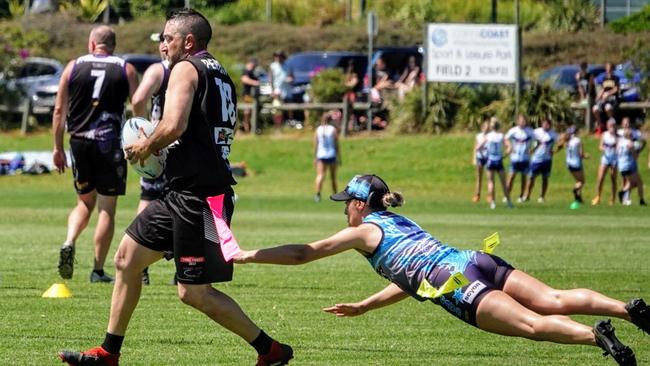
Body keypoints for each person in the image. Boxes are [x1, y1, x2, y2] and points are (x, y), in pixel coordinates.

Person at [58, 9, 293, 366]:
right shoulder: (222, 74)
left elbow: (174, 124)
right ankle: (109, 352)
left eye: (167, 38)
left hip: (198, 197)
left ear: (188, 42)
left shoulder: (185, 67)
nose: (162, 45)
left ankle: (270, 350)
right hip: (182, 192)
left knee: (193, 293)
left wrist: (145, 147)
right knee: (126, 260)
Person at [235, 174, 649, 366]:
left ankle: (596, 336)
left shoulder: (363, 233)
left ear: (360, 204)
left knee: (532, 325)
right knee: (554, 299)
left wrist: (248, 255)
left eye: (347, 201)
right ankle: (628, 309)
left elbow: (305, 253)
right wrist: (365, 306)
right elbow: (409, 281)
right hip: (474, 260)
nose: (344, 208)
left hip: (454, 283)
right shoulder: (401, 221)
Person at [52, 25, 139, 283]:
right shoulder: (126, 68)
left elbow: (59, 111)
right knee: (106, 209)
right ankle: (97, 270)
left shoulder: (73, 66)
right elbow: (139, 107)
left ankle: (69, 240)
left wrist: (57, 148)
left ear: (92, 44)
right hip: (109, 144)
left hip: (79, 143)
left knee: (84, 202)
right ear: (112, 46)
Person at [131, 31, 171, 285]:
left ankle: (139, 261)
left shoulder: (160, 70)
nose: (161, 46)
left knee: (148, 200)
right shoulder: (196, 69)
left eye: (164, 40)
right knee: (185, 203)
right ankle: (184, 266)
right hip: (184, 148)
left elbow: (138, 99)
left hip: (158, 146)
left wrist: (143, 133)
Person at [523, 118, 557, 203]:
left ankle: (542, 197)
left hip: (547, 160)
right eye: (544, 124)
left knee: (545, 178)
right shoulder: (536, 132)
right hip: (536, 159)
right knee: (531, 177)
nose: (545, 126)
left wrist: (554, 151)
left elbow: (560, 143)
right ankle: (527, 196)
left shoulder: (553, 134)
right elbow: (530, 139)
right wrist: (531, 149)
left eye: (547, 124)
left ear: (550, 125)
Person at [482, 117, 513, 209]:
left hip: (490, 160)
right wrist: (505, 155)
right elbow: (509, 147)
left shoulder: (488, 136)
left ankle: (493, 203)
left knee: (491, 182)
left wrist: (484, 153)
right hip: (499, 160)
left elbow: (479, 146)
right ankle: (509, 203)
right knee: (504, 183)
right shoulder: (501, 136)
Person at [617, 117, 646, 206]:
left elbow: (617, 151)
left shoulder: (620, 142)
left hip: (621, 165)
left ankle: (624, 194)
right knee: (639, 182)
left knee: (631, 183)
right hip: (629, 164)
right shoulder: (630, 143)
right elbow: (635, 157)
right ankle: (641, 200)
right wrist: (637, 151)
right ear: (629, 135)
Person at [504, 114, 534, 203]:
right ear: (517, 121)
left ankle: (521, 196)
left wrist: (532, 149)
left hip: (525, 158)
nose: (522, 122)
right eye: (520, 121)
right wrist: (509, 147)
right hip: (515, 158)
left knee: (524, 178)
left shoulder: (530, 131)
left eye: (524, 121)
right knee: (511, 177)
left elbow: (538, 141)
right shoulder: (513, 131)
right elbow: (505, 139)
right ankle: (507, 196)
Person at [313, 110, 340, 203]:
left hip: (321, 155)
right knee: (333, 177)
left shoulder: (318, 130)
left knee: (320, 175)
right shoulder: (333, 129)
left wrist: (315, 157)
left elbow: (316, 145)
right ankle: (335, 194)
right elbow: (336, 144)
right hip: (331, 154)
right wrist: (339, 156)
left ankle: (317, 194)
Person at [592, 118, 619, 206]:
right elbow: (600, 146)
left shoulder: (618, 136)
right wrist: (604, 148)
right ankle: (597, 197)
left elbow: (619, 148)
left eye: (613, 125)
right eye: (610, 125)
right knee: (600, 178)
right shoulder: (604, 135)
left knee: (613, 179)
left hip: (614, 159)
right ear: (607, 126)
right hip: (605, 158)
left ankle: (612, 199)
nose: (612, 127)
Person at [557, 125, 587, 203]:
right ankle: (575, 190)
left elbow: (559, 145)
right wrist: (586, 156)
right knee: (582, 181)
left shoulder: (567, 140)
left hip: (569, 164)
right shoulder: (578, 140)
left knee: (577, 181)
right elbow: (581, 154)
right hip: (576, 163)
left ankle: (578, 198)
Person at [593, 63, 620, 134]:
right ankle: (600, 125)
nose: (608, 70)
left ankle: (611, 126)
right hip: (604, 99)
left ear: (612, 69)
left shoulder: (616, 78)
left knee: (608, 108)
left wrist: (608, 93)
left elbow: (616, 89)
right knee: (595, 109)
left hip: (612, 98)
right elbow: (602, 89)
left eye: (610, 69)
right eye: (607, 69)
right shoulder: (604, 78)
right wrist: (598, 96)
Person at [269, 50, 293, 128]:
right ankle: (278, 125)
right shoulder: (272, 66)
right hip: (277, 91)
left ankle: (290, 123)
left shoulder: (288, 65)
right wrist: (272, 91)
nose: (278, 58)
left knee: (289, 108)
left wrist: (290, 79)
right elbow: (270, 79)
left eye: (279, 56)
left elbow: (292, 77)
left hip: (287, 90)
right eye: (276, 56)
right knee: (277, 109)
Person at [240, 57, 260, 133]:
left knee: (250, 113)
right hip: (247, 95)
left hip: (251, 95)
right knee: (247, 113)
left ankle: (249, 129)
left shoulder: (251, 72)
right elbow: (244, 79)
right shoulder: (246, 71)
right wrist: (255, 82)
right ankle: (246, 129)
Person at [472, 119, 489, 203]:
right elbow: (475, 147)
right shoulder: (478, 136)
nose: (487, 128)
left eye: (488, 127)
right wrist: (474, 158)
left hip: (488, 158)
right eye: (485, 127)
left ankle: (490, 195)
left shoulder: (491, 136)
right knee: (479, 177)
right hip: (480, 157)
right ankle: (477, 194)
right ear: (482, 128)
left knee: (489, 177)